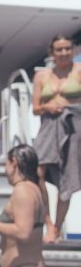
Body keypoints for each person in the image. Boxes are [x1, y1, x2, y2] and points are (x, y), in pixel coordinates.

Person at [32, 35, 81, 243]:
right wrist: (47, 107)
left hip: (73, 126)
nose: (63, 53)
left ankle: (57, 228)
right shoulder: (42, 76)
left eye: (67, 49)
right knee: (36, 172)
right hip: (48, 125)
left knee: (67, 179)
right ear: (52, 53)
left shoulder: (79, 71)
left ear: (73, 50)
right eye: (59, 49)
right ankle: (48, 223)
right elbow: (35, 108)